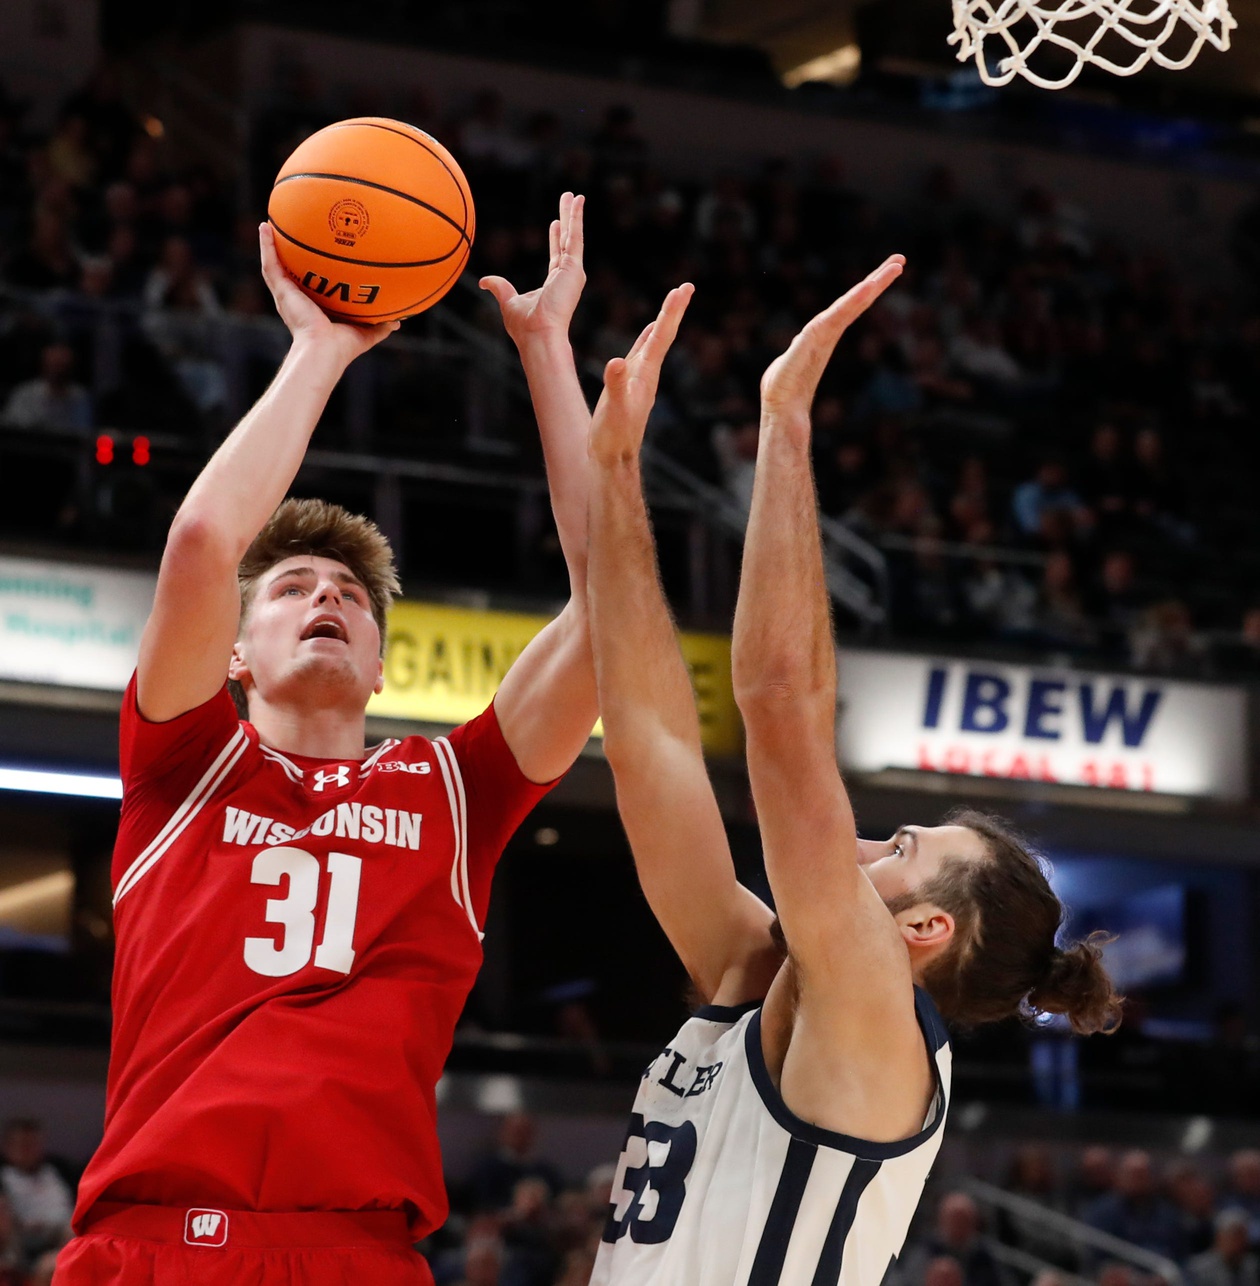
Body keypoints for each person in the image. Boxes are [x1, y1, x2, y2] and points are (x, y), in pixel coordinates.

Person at [53, 196, 599, 1285]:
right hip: (151, 1241)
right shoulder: (181, 762)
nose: (328, 599)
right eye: (295, 585)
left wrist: (546, 351)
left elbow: (611, 608)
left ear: (384, 662)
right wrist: (320, 349)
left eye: (352, 592)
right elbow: (206, 542)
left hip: (357, 1250)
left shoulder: (454, 789)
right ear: (235, 653)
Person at [584, 258, 1123, 1285]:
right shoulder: (758, 976)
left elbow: (782, 701)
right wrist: (616, 473)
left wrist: (784, 422)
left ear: (925, 932)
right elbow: (650, 736)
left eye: (901, 849)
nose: (864, 844)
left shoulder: (879, 1017)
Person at [1, 1120, 72, 1266]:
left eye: (32, 1145)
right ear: (8, 1146)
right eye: (22, 1145)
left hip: (62, 1231)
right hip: (21, 1236)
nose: (27, 1150)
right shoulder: (4, 1176)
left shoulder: (59, 1169)